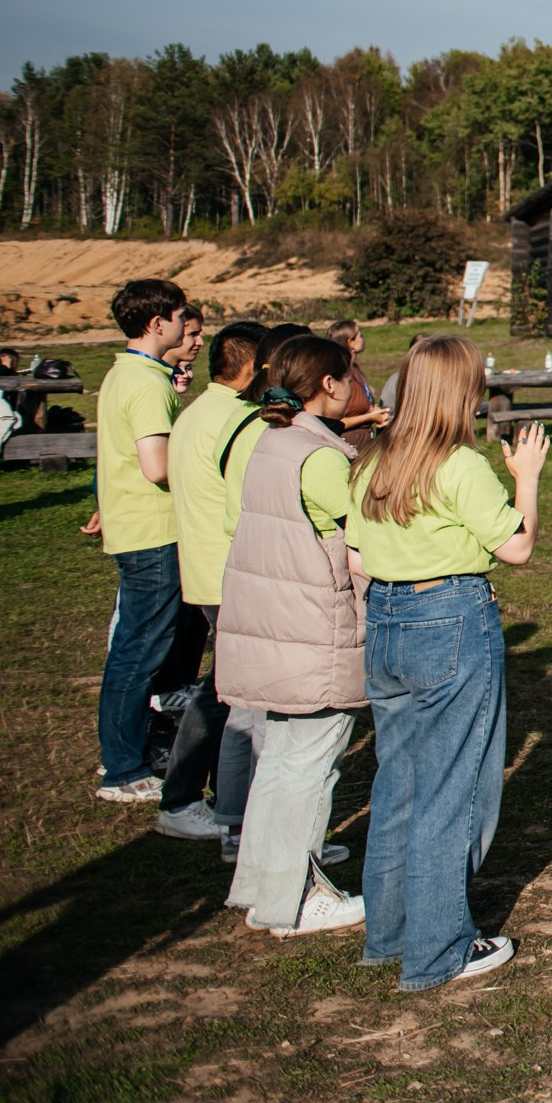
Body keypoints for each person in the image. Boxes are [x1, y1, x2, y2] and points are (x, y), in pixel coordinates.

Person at [347, 335, 546, 988]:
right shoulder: (460, 465)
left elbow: (354, 555)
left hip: (386, 620)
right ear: (462, 392)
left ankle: (390, 933)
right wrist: (527, 480)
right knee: (451, 789)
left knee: (398, 783)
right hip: (450, 617)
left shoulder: (372, 461)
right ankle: (439, 949)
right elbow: (517, 548)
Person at [217, 334, 367, 937]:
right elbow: (366, 533)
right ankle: (295, 899)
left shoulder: (271, 441)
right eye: (348, 375)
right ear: (329, 384)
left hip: (274, 625)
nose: (353, 385)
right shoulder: (321, 458)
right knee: (312, 767)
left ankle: (262, 885)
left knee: (280, 762)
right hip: (315, 629)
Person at [154, 320, 272, 845]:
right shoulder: (242, 421)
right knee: (236, 697)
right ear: (256, 367)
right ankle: (207, 807)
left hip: (204, 570)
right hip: (233, 572)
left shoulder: (197, 411)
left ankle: (199, 800)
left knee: (223, 687)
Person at [94, 278, 190, 804]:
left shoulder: (125, 374)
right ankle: (123, 769)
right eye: (180, 316)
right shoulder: (148, 384)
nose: (185, 324)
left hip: (136, 528)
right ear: (158, 323)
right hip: (153, 533)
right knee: (138, 653)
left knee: (141, 648)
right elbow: (156, 466)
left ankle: (134, 751)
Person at [324, 320, 391, 451]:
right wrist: (369, 417)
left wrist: (376, 412)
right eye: (360, 335)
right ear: (351, 342)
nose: (363, 338)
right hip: (349, 445)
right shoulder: (341, 375)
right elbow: (337, 421)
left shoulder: (355, 369)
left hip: (365, 443)